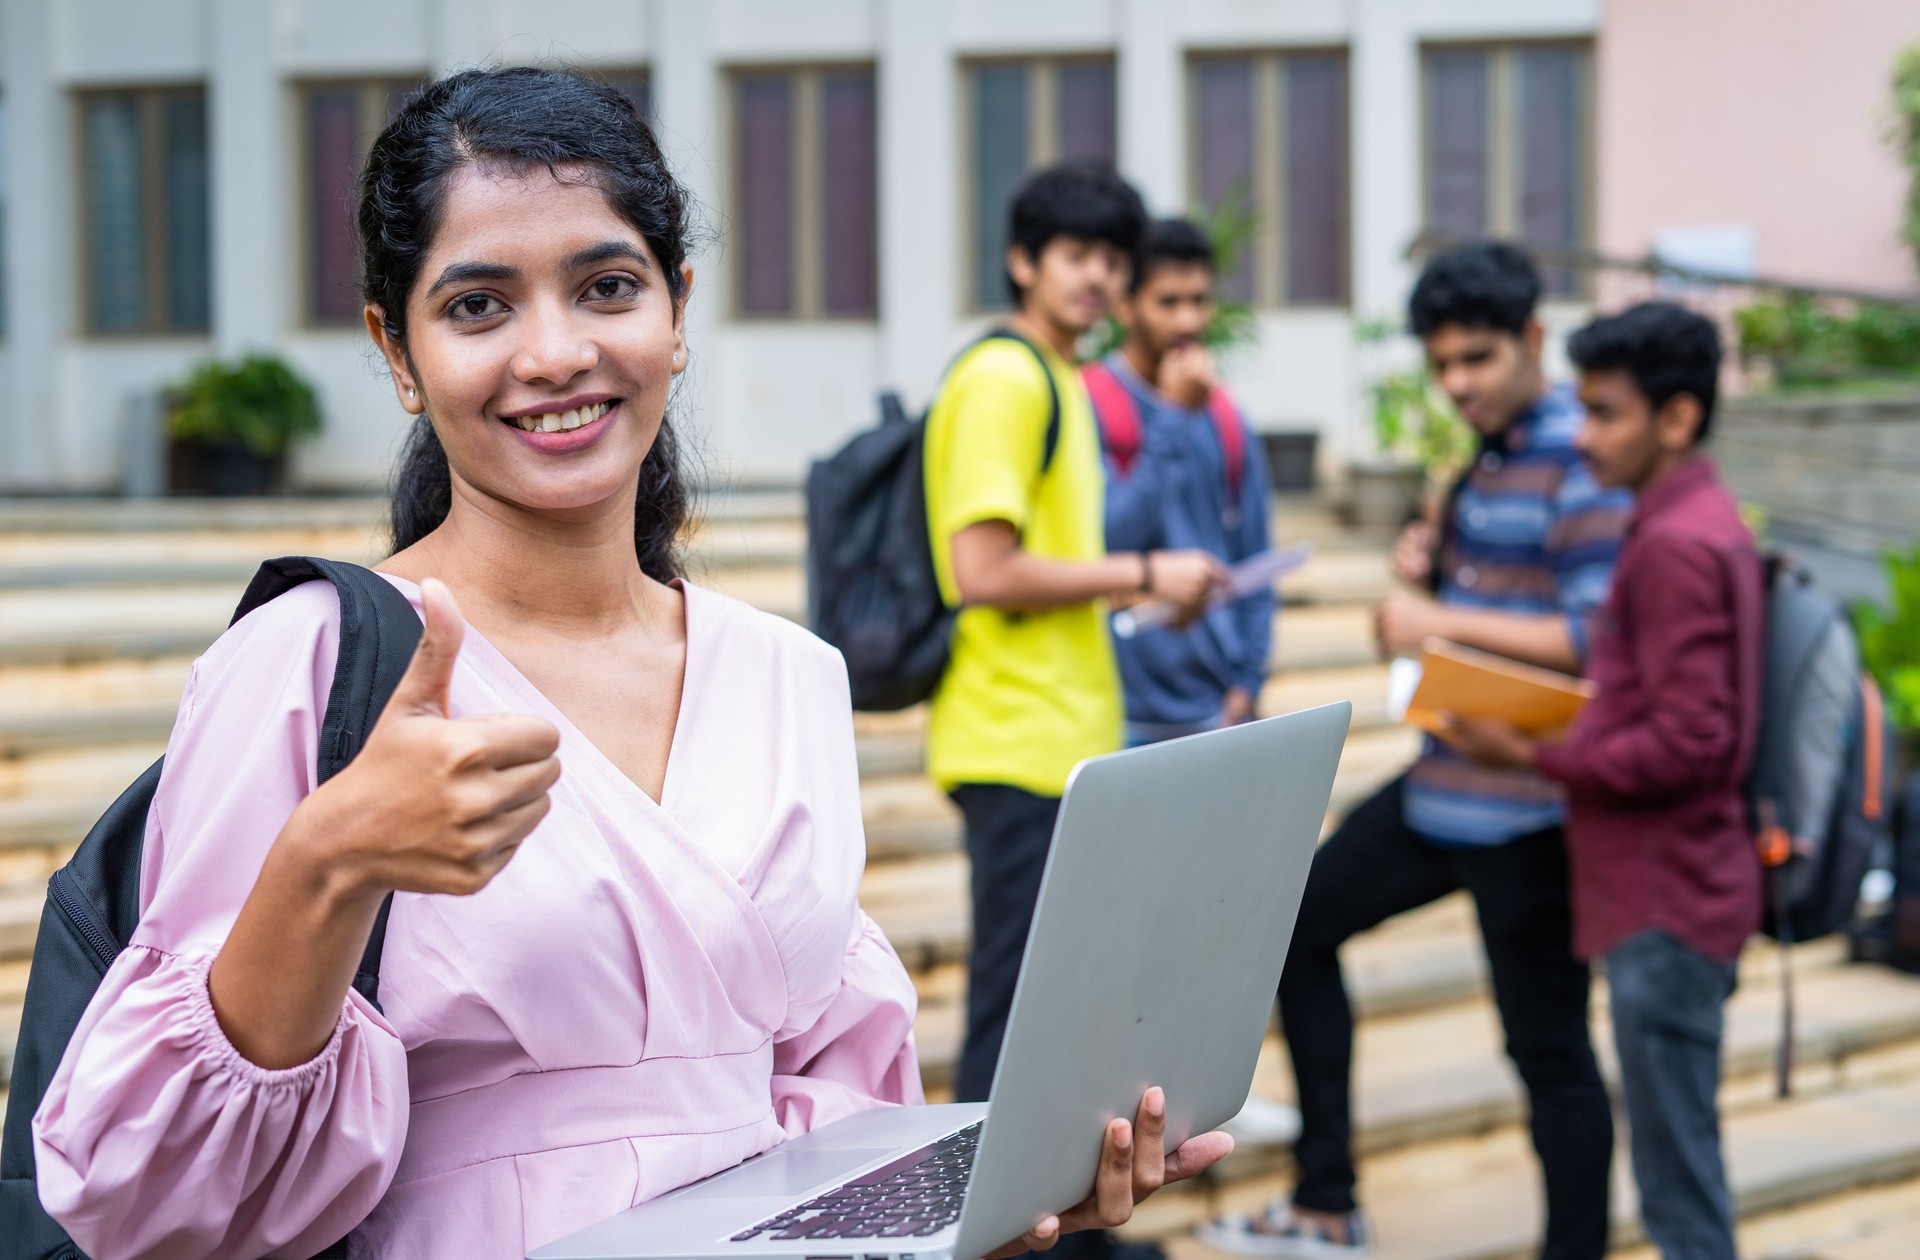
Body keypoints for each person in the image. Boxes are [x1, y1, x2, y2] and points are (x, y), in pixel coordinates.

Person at [30, 70, 1228, 1260]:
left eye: (606, 288)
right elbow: (148, 1205)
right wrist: (327, 861)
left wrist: (976, 1206)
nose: (555, 353)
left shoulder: (784, 678)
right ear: (398, 353)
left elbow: (829, 1111)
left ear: (676, 313)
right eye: (479, 307)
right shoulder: (310, 661)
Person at [1198, 242, 1631, 1260]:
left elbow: (1591, 635)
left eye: (1478, 359)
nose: (1458, 384)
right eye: (1442, 365)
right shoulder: (1488, 449)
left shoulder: (1583, 454)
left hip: (1530, 808)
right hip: (1445, 786)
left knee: (1550, 1054)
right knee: (1292, 928)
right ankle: (1327, 1199)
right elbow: (1498, 592)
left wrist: (1440, 613)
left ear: (1534, 339)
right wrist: (1439, 564)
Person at [1442, 303, 1761, 1260]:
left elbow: (1689, 743)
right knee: (1679, 1164)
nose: (1584, 437)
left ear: (1677, 419)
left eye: (1607, 413)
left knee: (1678, 1189)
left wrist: (1532, 756)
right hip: (1668, 889)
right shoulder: (1693, 519)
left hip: (1666, 900)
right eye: (1581, 411)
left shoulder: (1672, 543)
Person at [1093, 217, 1274, 746]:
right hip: (1118, 713)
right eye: (1168, 302)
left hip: (1214, 710)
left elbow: (1255, 561)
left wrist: (1248, 681)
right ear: (1125, 305)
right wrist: (1172, 416)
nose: (1188, 319)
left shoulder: (1225, 418)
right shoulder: (1089, 405)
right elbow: (1106, 543)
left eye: (1199, 300)